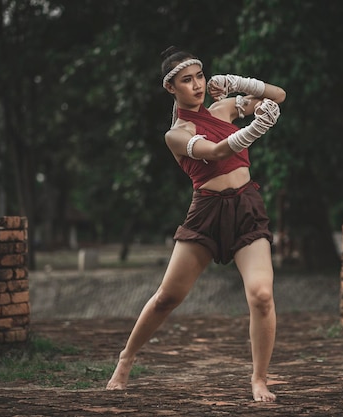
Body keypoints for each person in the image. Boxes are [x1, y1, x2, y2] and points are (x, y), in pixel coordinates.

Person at [106, 46, 286, 402]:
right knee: (166, 298)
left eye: (200, 77)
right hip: (206, 214)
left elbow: (279, 95)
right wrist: (255, 128)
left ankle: (259, 378)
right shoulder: (176, 133)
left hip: (247, 207)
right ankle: (126, 358)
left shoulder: (224, 107)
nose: (197, 85)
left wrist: (241, 83)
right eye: (187, 80)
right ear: (171, 88)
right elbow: (218, 152)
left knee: (262, 295)